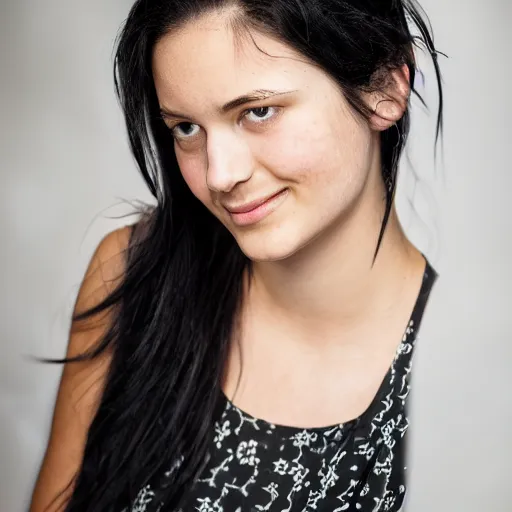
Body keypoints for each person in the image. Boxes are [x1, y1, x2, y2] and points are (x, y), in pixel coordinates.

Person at [30, 0, 443, 510]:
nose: (220, 175)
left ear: (384, 86)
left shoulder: (457, 370)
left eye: (258, 112)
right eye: (185, 128)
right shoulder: (132, 275)